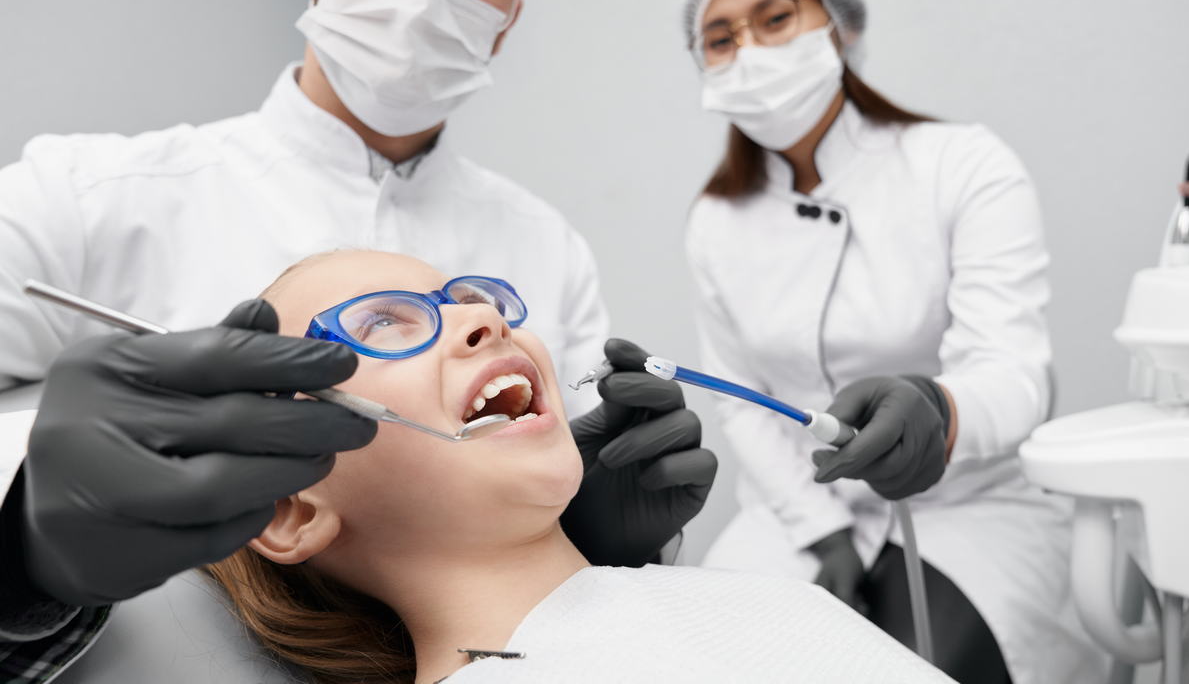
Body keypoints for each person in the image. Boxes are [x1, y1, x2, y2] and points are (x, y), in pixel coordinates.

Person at [0, 0, 718, 679]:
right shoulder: (77, 200)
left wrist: (593, 536)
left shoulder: (546, 241)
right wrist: (18, 552)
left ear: (508, 13)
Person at [204, 248, 950, 684]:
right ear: (291, 509)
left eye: (468, 299)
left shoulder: (770, 600)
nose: (482, 318)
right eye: (378, 324)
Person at [678, 0, 1105, 683]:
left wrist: (938, 410)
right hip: (794, 514)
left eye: (776, 19)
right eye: (721, 38)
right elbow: (742, 402)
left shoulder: (962, 166)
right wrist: (823, 531)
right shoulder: (716, 221)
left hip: (968, 509)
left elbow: (1016, 375)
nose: (750, 51)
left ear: (840, 23)